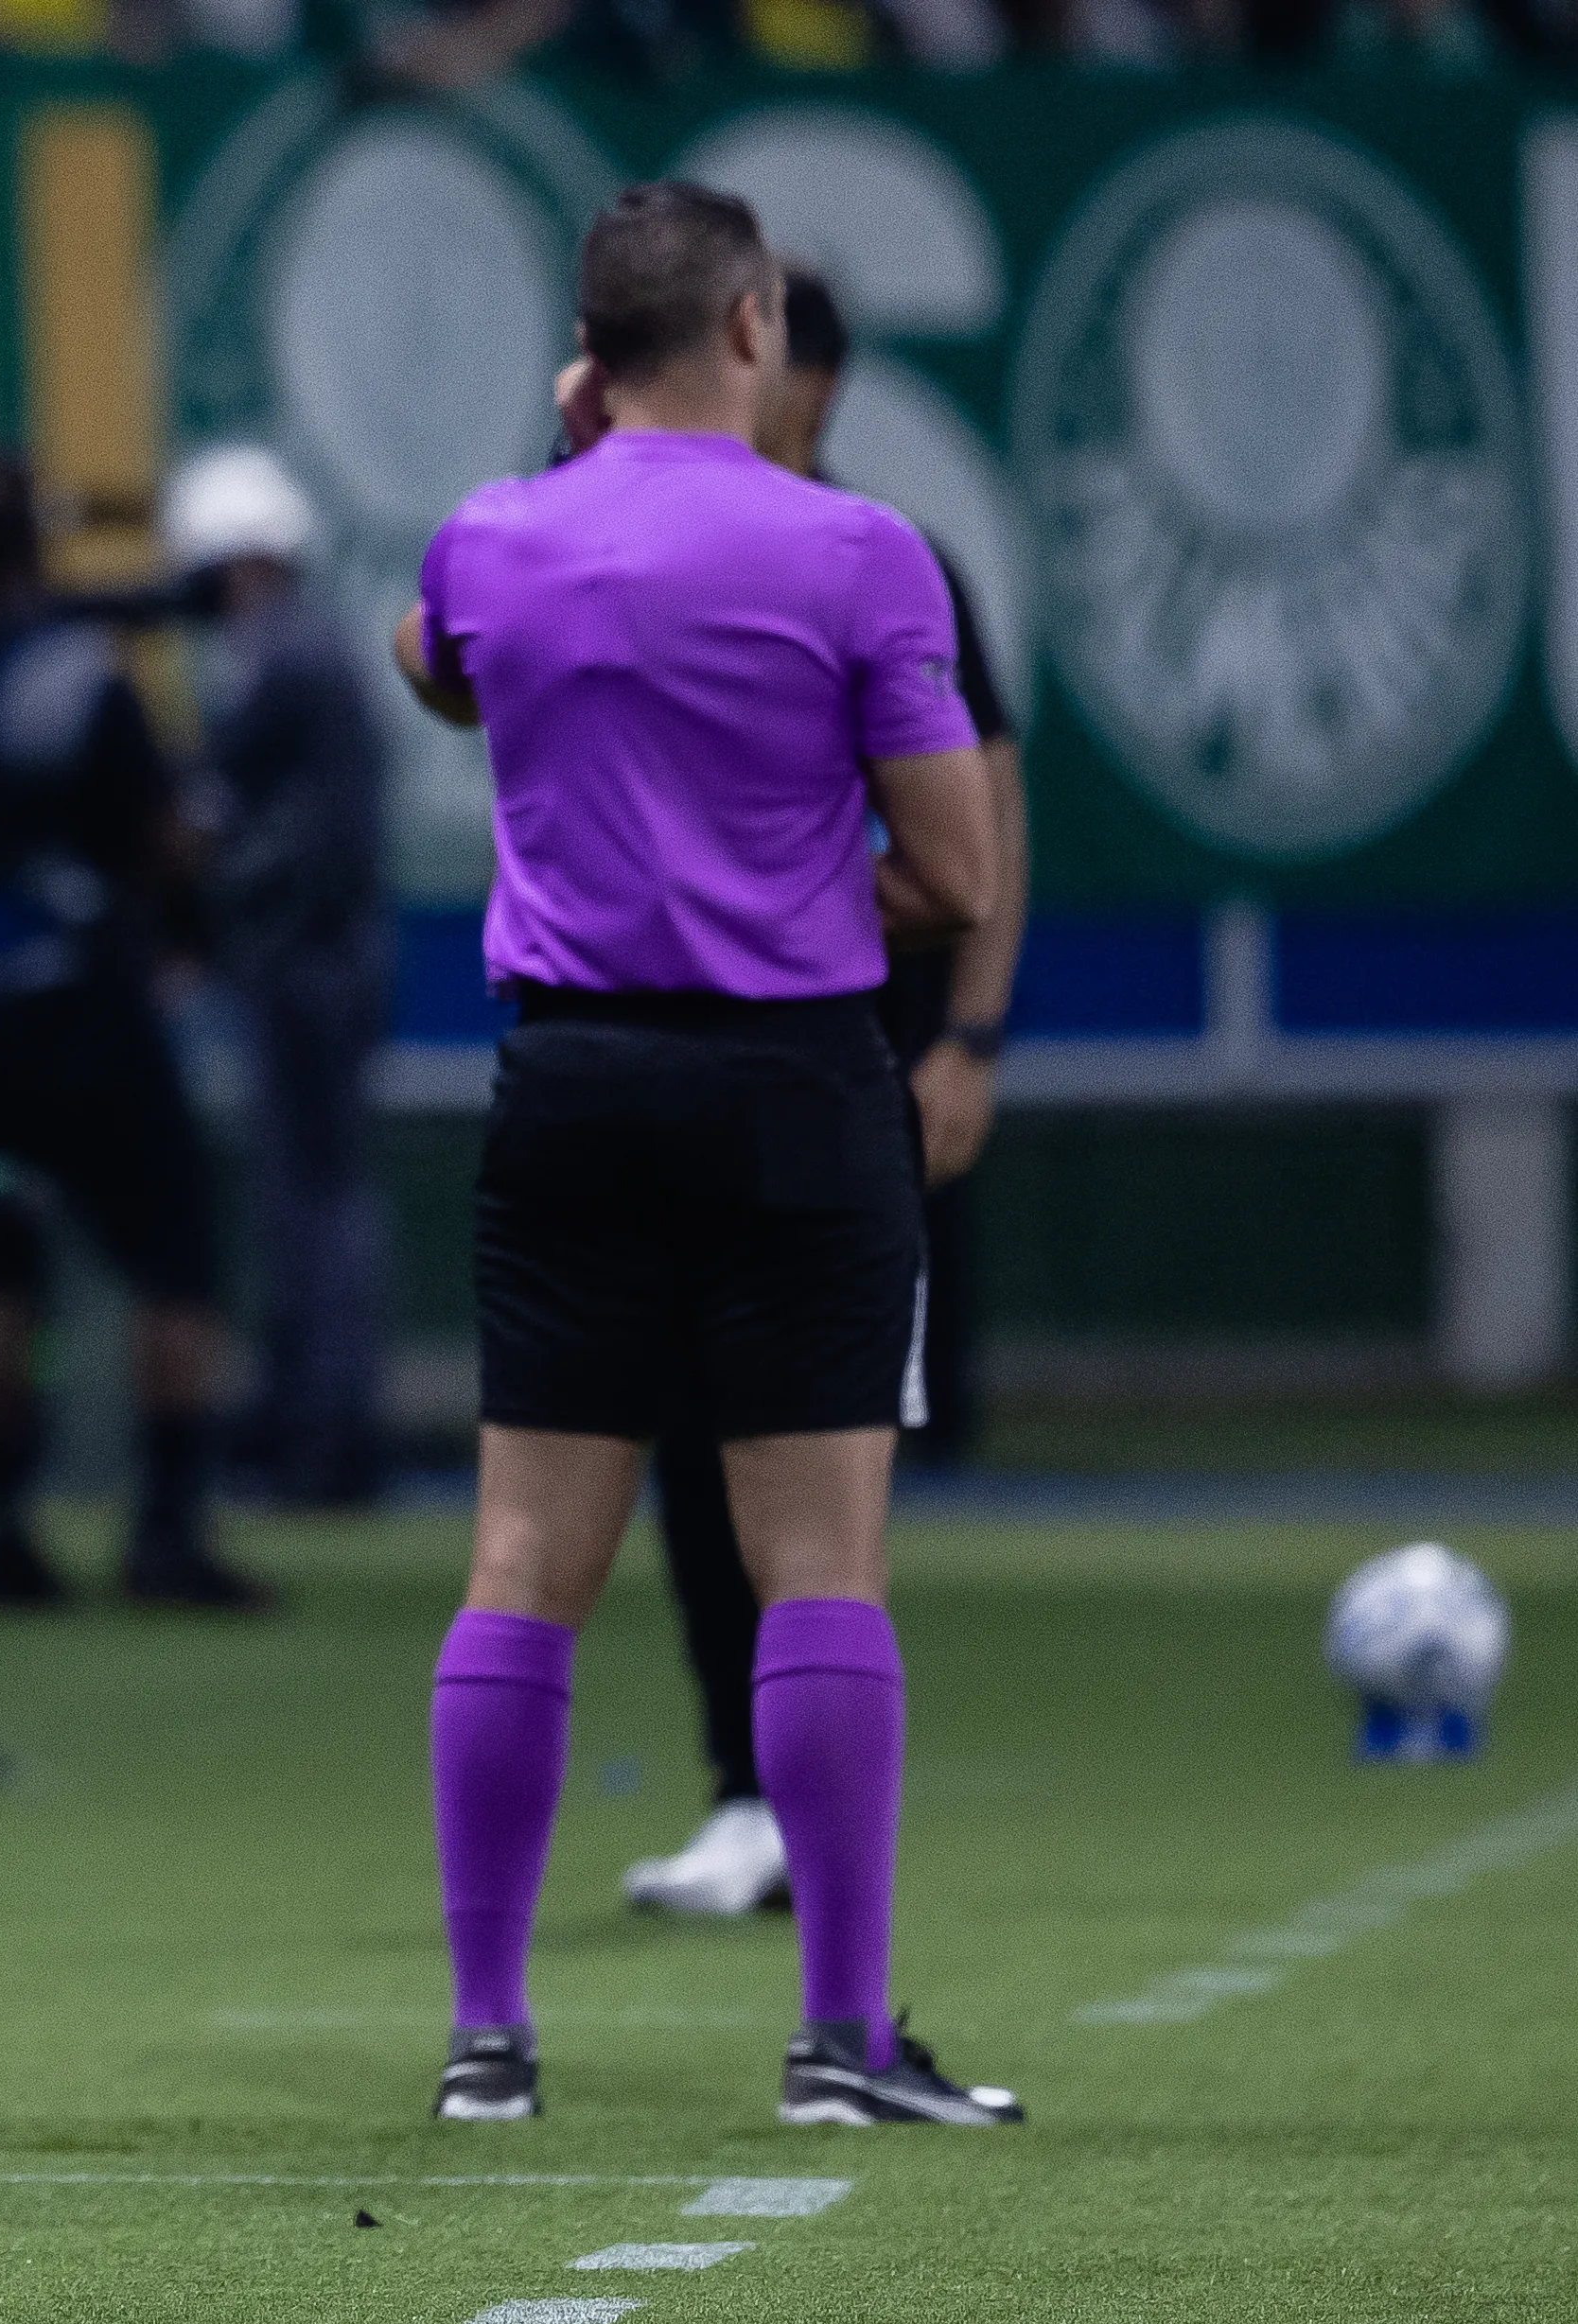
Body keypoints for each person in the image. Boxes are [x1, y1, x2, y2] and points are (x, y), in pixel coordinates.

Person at [394, 183, 1021, 2127]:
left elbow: (439, 667)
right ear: (752, 322)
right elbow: (955, 868)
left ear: (590, 348)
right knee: (819, 1563)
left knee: (520, 1563)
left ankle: (486, 2039)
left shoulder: (494, 538)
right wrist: (777, 880)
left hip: (568, 1084)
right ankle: (839, 2037)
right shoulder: (860, 553)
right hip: (790, 1089)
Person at [622, 265, 1029, 1918]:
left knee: (823, 1472)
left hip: (853, 1057)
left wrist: (971, 1039)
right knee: (683, 1431)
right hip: (670, 1063)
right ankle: (744, 1788)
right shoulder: (642, 555)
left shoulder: (890, 565)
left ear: (817, 385)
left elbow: (984, 831)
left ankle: (816, 1823)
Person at [0, 449, 266, 1614]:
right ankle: (165, 1532)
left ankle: (4, 1535)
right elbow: (162, 836)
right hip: (74, 998)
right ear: (36, 546)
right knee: (173, 1255)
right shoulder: (75, 675)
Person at [161, 444, 393, 1508]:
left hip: (311, 961)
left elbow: (288, 834)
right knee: (307, 1196)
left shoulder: (286, 658)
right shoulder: (301, 650)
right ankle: (311, 1413)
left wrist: (214, 897)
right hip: (315, 957)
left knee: (312, 1200)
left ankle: (323, 1429)